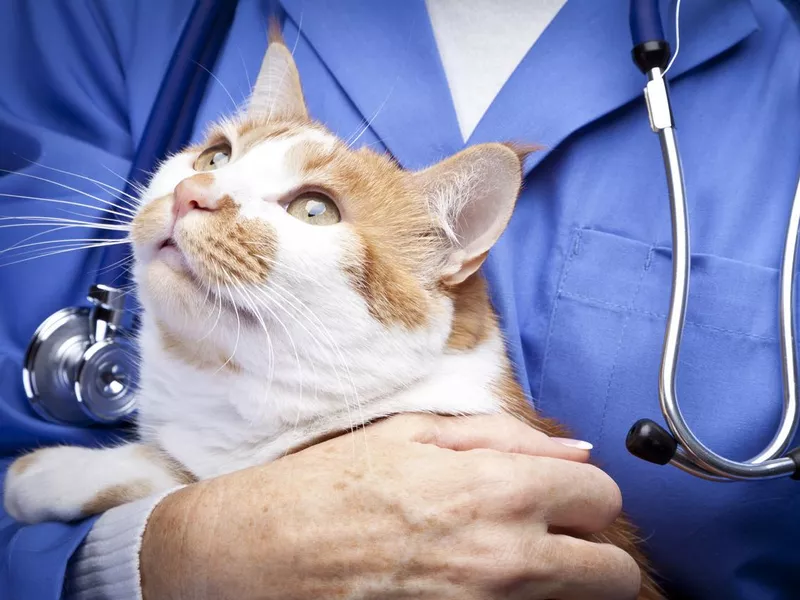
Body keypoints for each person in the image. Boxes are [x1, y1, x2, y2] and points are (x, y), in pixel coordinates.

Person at [1, 0, 799, 598]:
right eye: (215, 153)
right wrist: (173, 551)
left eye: (312, 206)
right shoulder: (119, 21)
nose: (205, 191)